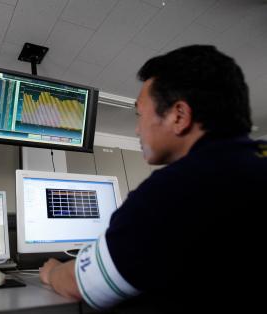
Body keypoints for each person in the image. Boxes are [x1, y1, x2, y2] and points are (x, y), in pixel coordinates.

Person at [39, 45, 267, 312]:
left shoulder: (174, 191)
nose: (137, 128)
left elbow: (79, 283)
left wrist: (53, 271)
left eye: (140, 114)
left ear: (179, 116)